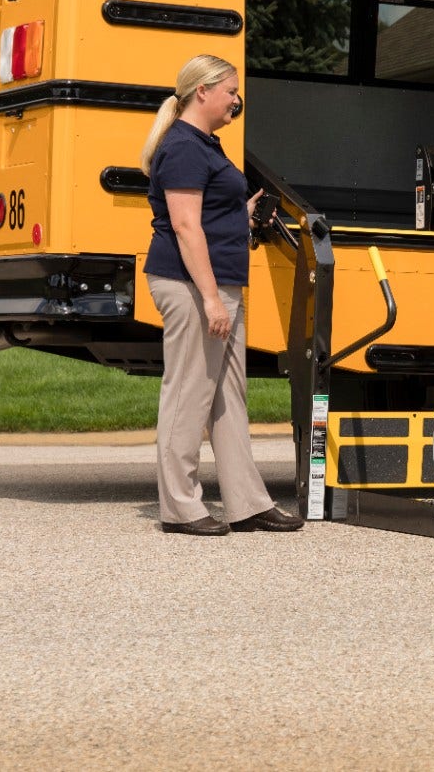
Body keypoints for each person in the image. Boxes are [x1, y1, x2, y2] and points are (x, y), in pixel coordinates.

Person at [139, 54, 302, 536]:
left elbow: (205, 215)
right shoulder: (185, 147)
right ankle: (180, 507)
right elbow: (186, 228)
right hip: (192, 284)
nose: (237, 99)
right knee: (189, 392)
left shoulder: (206, 145)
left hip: (218, 282)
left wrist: (243, 214)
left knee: (229, 395)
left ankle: (247, 503)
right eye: (231, 90)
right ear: (202, 92)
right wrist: (210, 299)